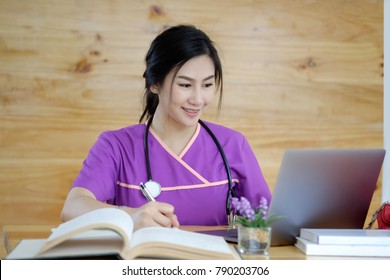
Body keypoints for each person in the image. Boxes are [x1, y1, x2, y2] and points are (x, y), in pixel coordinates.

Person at [61, 25, 271, 231]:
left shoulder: (233, 145)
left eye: (207, 85)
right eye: (185, 85)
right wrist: (129, 216)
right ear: (154, 84)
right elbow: (72, 208)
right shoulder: (116, 146)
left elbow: (269, 221)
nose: (198, 99)